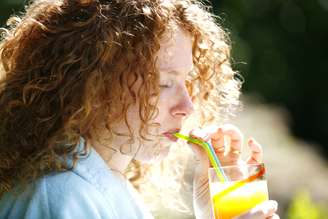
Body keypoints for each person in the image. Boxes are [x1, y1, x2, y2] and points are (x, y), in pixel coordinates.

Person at [0, 0, 279, 218]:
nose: (187, 106)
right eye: (164, 82)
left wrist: (215, 213)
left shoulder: (109, 187)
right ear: (94, 84)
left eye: (186, 80)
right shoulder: (62, 198)